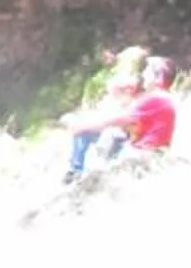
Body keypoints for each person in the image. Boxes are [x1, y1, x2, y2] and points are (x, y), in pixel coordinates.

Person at [63, 51, 177, 179]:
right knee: (111, 134)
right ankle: (82, 173)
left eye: (147, 71)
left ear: (158, 78)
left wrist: (83, 126)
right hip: (148, 151)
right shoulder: (160, 98)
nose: (143, 74)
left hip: (143, 153)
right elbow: (119, 103)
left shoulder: (156, 98)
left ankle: (77, 175)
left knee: (90, 133)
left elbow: (119, 119)